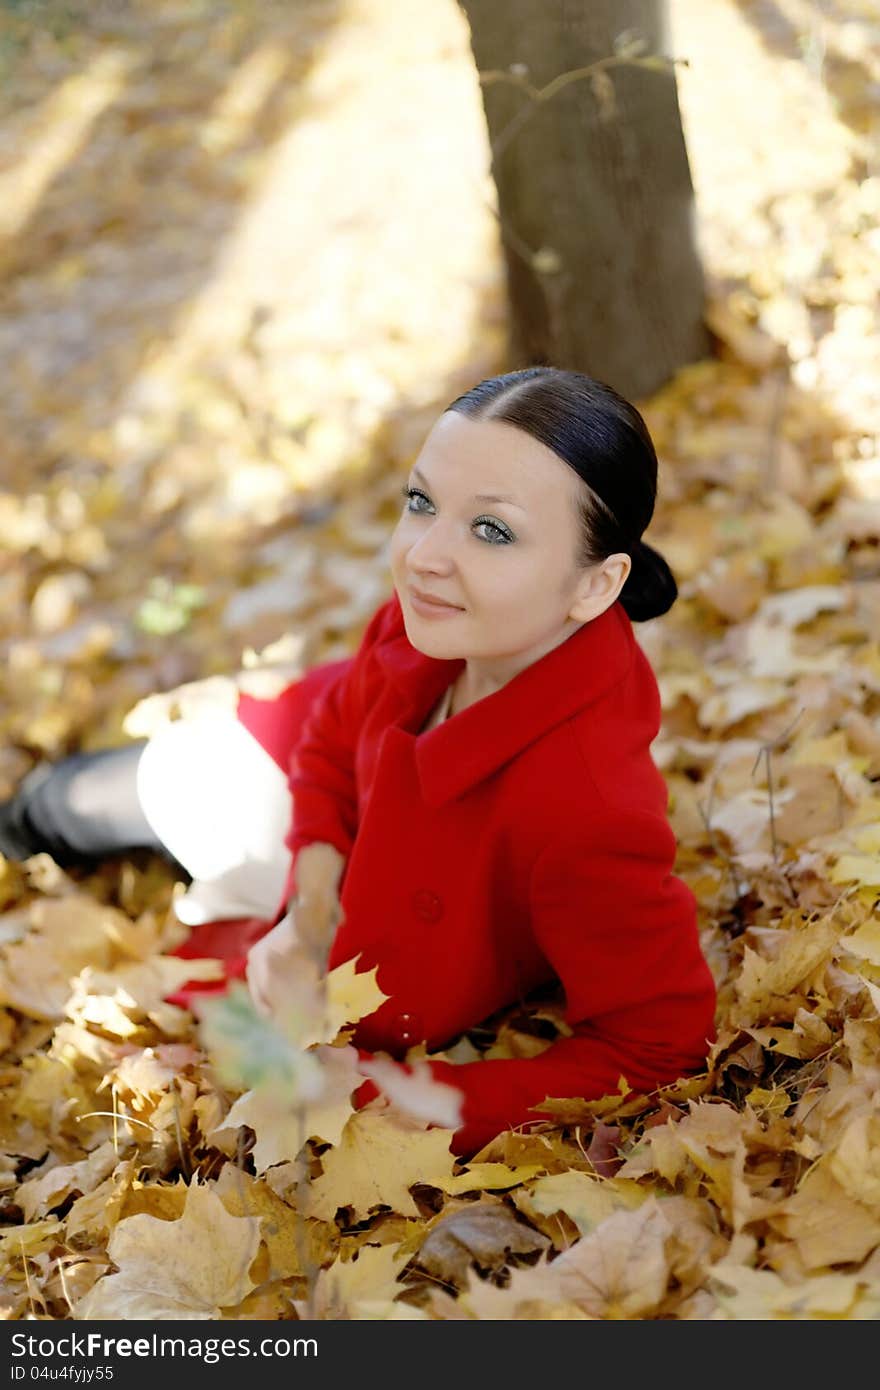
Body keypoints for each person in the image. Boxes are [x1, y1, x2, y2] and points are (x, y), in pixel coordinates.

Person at [0, 366, 717, 1155]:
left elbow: (656, 1045)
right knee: (63, 806)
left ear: (596, 585)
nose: (424, 557)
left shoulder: (588, 807)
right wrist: (309, 904)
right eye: (421, 503)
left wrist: (406, 1100)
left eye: (492, 530)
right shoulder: (434, 623)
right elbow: (334, 743)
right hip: (285, 792)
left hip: (353, 891)